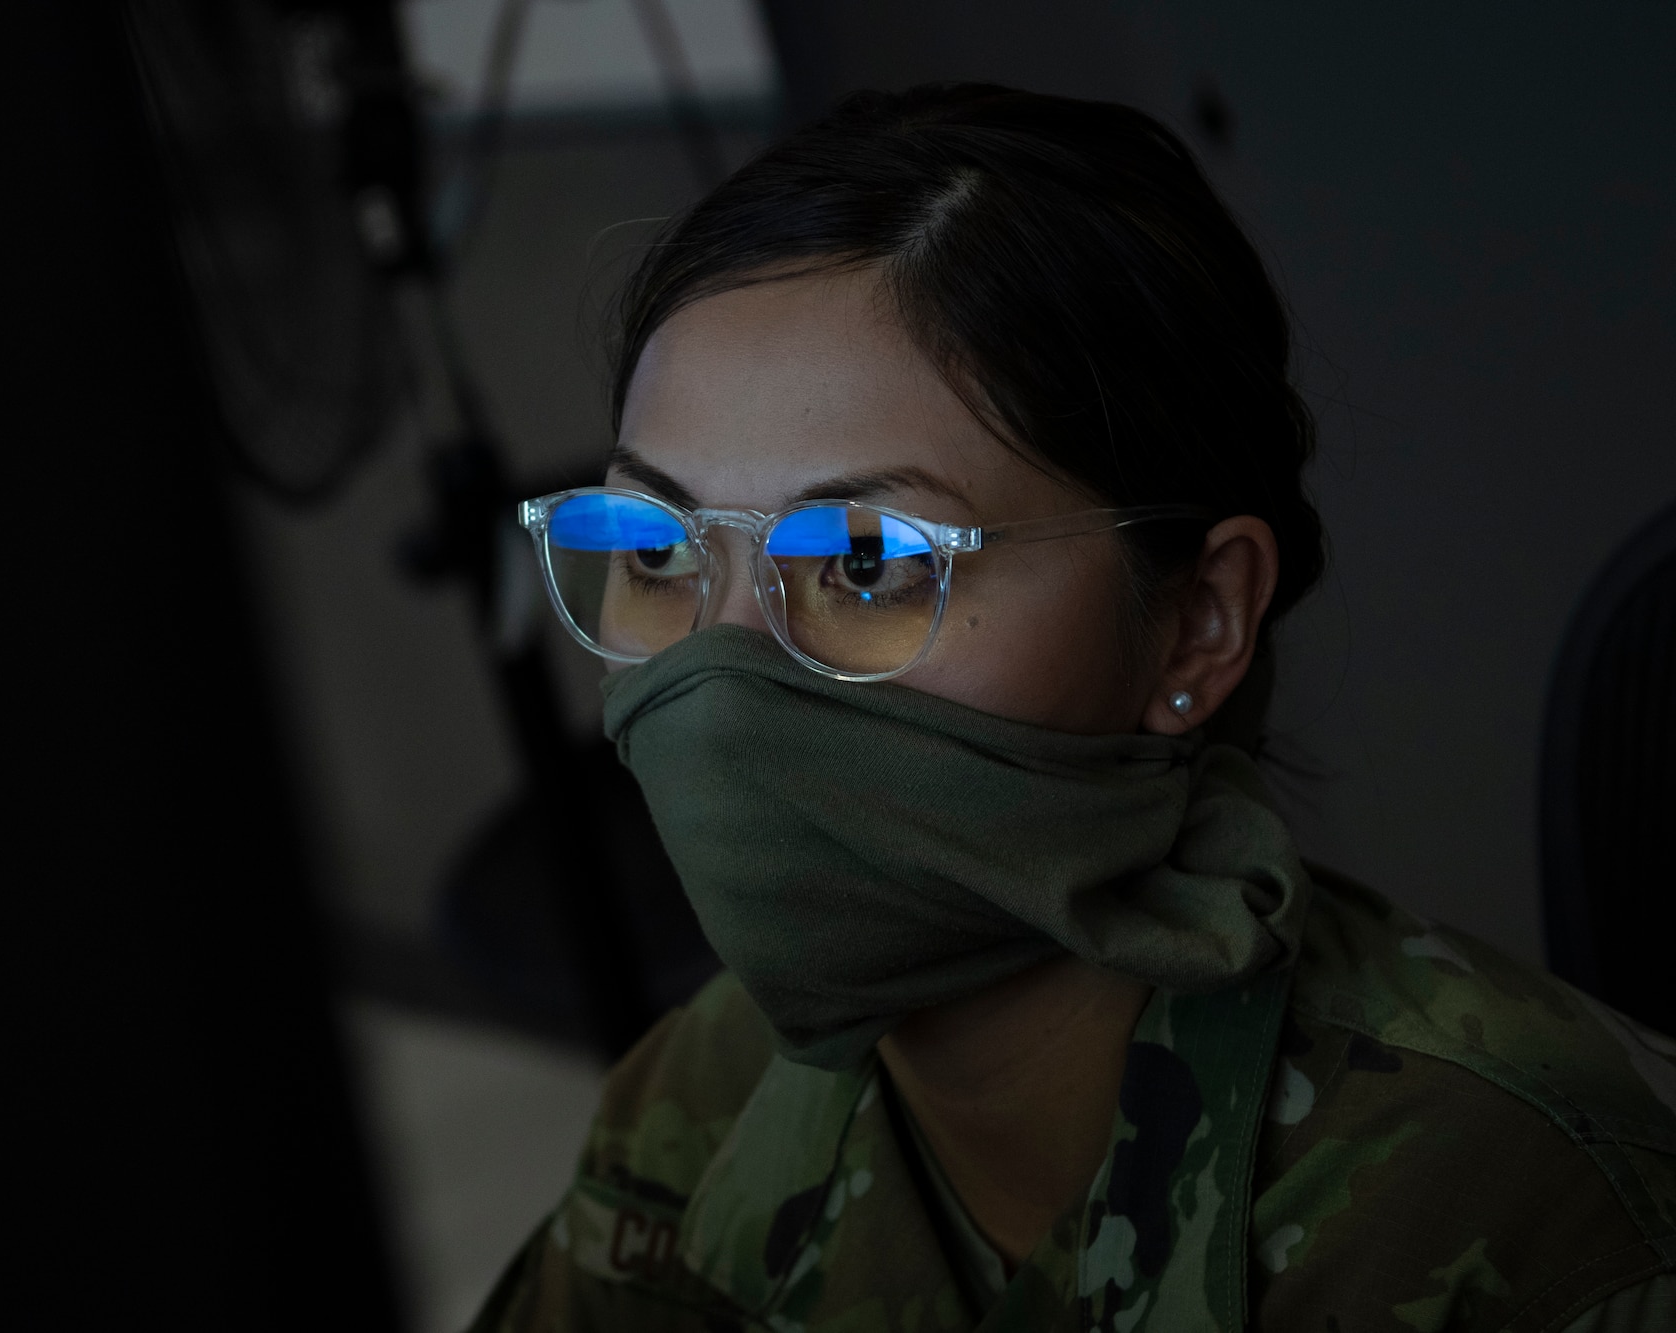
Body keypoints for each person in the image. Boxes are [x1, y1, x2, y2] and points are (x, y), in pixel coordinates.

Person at [471, 85, 1676, 1332]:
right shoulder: (703, 1096)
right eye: (654, 551)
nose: (719, 681)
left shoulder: (1515, 1213)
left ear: (1195, 621)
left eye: (872, 563)